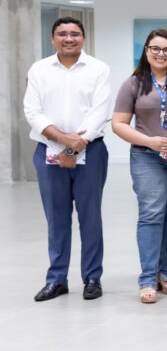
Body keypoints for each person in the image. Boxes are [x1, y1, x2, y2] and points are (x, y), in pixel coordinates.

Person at [23, 17, 112, 302]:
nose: (69, 38)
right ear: (53, 39)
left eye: (74, 33)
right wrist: (62, 141)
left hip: (90, 152)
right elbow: (32, 111)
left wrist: (73, 149)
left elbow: (99, 114)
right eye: (62, 34)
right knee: (56, 218)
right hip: (48, 151)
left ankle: (92, 277)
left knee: (90, 218)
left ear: (83, 38)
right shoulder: (39, 69)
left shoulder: (99, 69)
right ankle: (56, 279)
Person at [111, 28, 167, 303]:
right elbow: (118, 124)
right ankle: (148, 278)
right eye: (155, 49)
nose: (161, 54)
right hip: (147, 156)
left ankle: (166, 273)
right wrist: (149, 142)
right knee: (151, 214)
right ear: (147, 51)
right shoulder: (133, 83)